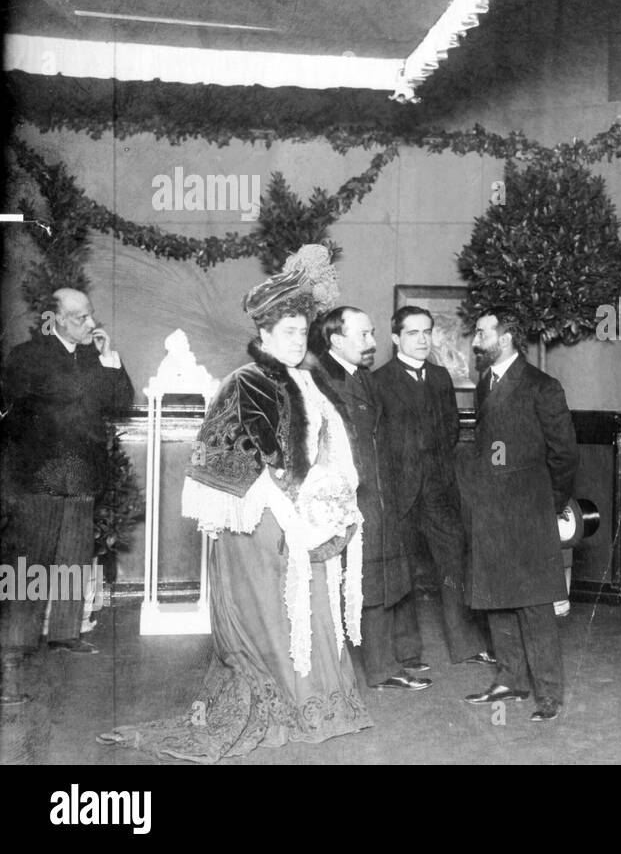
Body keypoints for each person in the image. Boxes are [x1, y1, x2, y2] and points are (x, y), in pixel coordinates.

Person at [98, 246, 373, 761]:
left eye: (301, 330)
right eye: (287, 332)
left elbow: (327, 446)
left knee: (311, 605)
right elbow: (265, 459)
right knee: (275, 611)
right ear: (264, 335)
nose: (297, 340)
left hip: (304, 517)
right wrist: (300, 500)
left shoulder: (306, 380)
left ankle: (318, 706)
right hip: (261, 521)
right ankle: (285, 709)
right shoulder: (247, 381)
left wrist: (334, 495)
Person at [459, 308, 578, 723]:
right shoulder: (485, 382)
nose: (476, 340)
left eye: (481, 333)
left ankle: (548, 694)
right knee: (496, 598)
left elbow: (564, 454)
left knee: (534, 604)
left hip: (529, 510)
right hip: (491, 509)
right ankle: (511, 678)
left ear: (505, 338)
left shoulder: (542, 387)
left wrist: (549, 503)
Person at [1, 288, 134, 657]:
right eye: (81, 318)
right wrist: (93, 371)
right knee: (31, 562)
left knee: (73, 558)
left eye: (91, 316)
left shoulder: (96, 357)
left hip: (81, 475)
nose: (91, 324)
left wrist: (109, 359)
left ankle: (64, 634)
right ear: (56, 318)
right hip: (40, 477)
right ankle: (16, 643)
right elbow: (66, 391)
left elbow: (121, 399)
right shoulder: (29, 355)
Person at [315, 306, 431, 692]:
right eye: (363, 335)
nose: (373, 343)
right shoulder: (321, 381)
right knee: (352, 583)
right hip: (345, 502)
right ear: (336, 340)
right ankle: (345, 673)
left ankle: (382, 668)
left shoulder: (361, 377)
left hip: (378, 498)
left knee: (378, 580)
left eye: (372, 333)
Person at [373, 306, 493, 668]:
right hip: (400, 494)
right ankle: (408, 653)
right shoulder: (378, 381)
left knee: (454, 566)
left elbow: (452, 429)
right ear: (395, 339)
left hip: (440, 491)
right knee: (403, 573)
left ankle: (466, 646)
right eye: (413, 333)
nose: (423, 339)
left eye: (427, 332)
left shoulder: (441, 377)